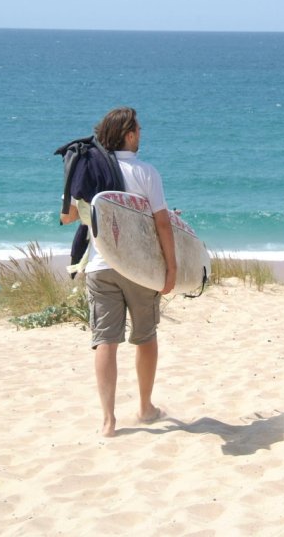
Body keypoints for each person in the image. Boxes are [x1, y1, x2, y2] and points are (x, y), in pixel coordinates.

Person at [60, 107, 176, 437]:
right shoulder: (146, 172)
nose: (142, 133)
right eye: (138, 129)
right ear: (128, 134)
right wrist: (172, 267)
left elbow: (69, 216)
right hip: (139, 270)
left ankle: (108, 420)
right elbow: (163, 224)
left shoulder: (90, 168)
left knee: (105, 342)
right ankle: (145, 407)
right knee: (145, 337)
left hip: (99, 267)